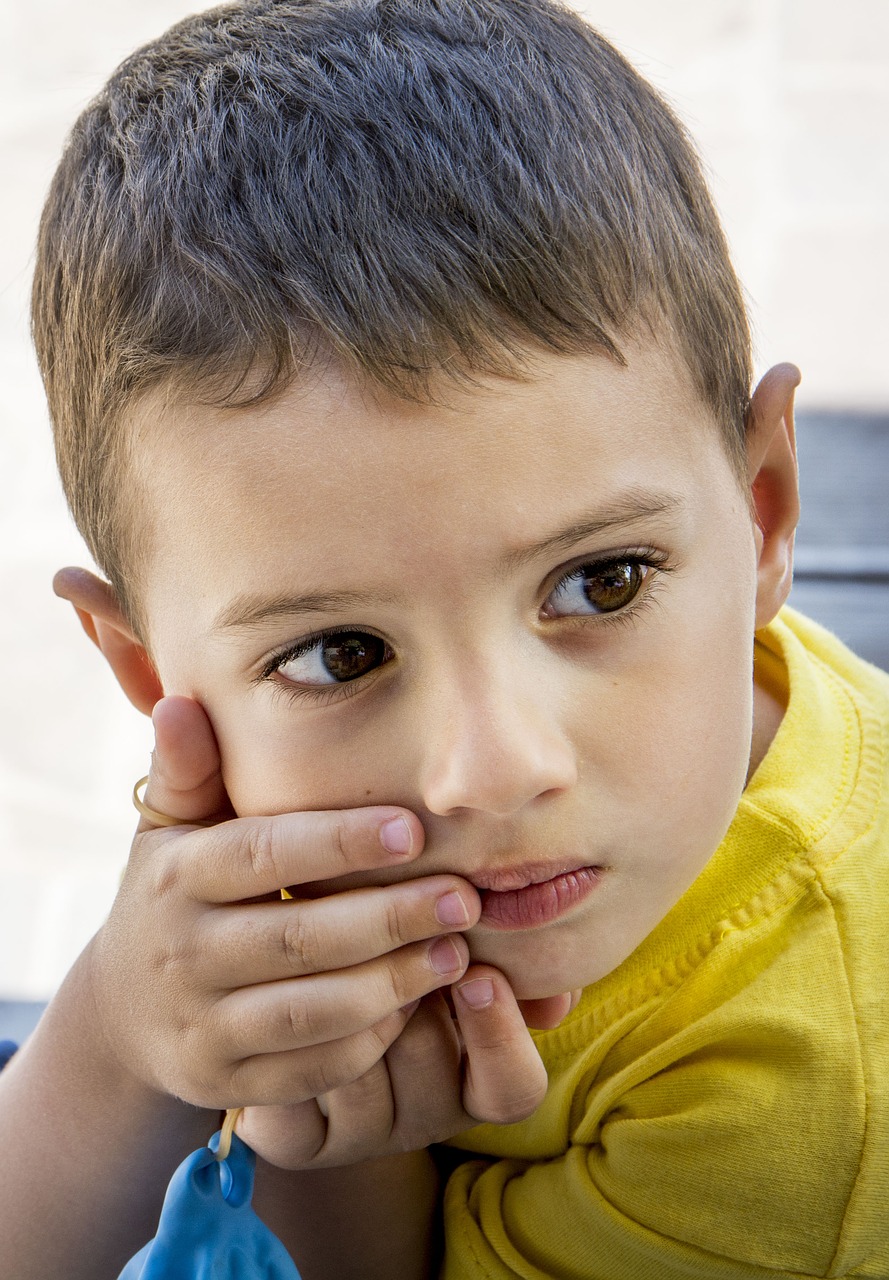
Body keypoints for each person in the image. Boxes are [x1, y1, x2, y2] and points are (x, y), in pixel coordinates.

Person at [1, 0, 886, 1275]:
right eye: (341, 656)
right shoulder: (297, 849)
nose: (492, 766)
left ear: (760, 516)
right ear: (152, 676)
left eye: (602, 581)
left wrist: (338, 1145)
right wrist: (117, 1027)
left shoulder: (803, 1097)